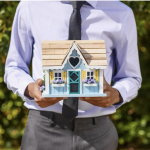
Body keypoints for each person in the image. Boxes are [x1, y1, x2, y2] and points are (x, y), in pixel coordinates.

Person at [4, 1, 142, 150]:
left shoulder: (121, 13)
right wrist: (29, 88)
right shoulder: (30, 6)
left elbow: (131, 77)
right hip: (42, 129)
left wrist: (116, 94)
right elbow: (14, 67)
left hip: (98, 134)